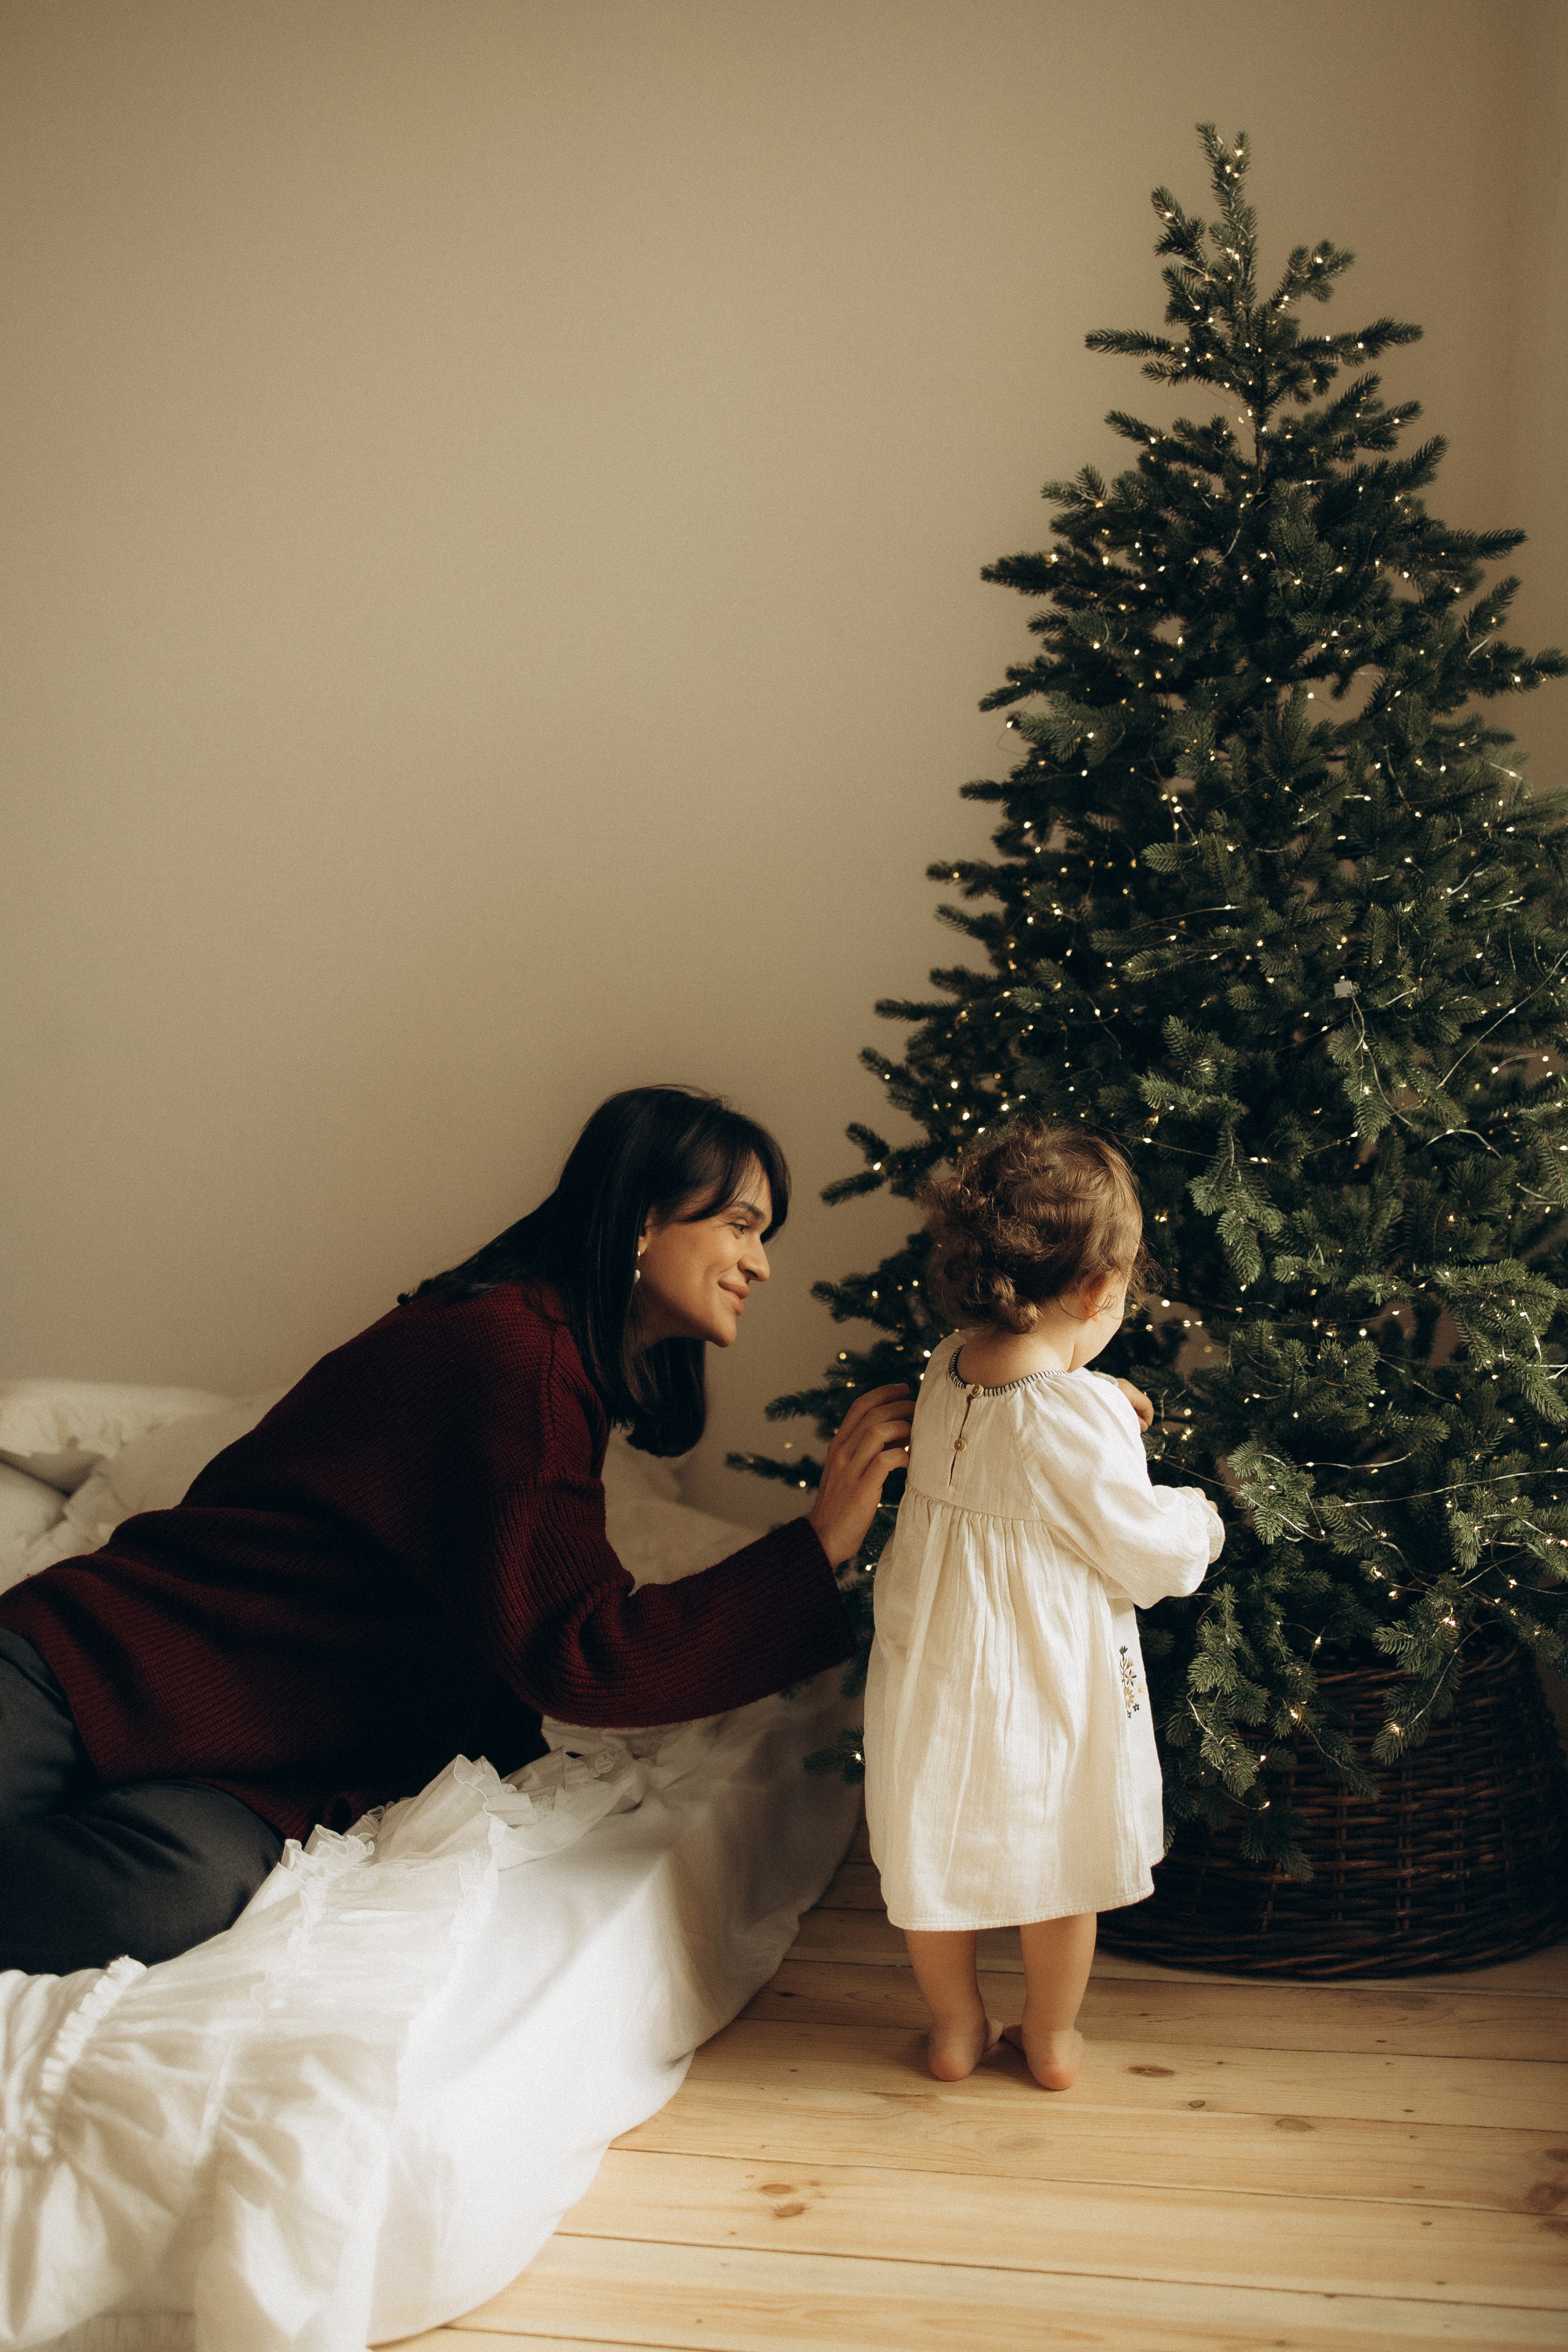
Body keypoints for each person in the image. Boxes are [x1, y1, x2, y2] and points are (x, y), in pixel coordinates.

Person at [0, 1086, 915, 1976]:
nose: (761, 1265)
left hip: (266, 1755)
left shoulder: (552, 1362)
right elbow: (586, 1651)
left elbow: (535, 1619)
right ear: (643, 1219)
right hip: (94, 1665)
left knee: (159, 1904)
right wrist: (817, 1545)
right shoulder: (510, 1350)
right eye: (741, 1226)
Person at [862, 1123, 1224, 2089]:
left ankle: (953, 2030)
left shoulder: (948, 1367)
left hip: (937, 1666)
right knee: (1058, 1862)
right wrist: (1199, 1516)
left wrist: (1102, 1401)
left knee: (936, 1852)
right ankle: (1053, 2038)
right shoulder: (1072, 1416)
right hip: (1039, 1678)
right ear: (1102, 1290)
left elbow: (1023, 1416)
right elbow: (1139, 1546)